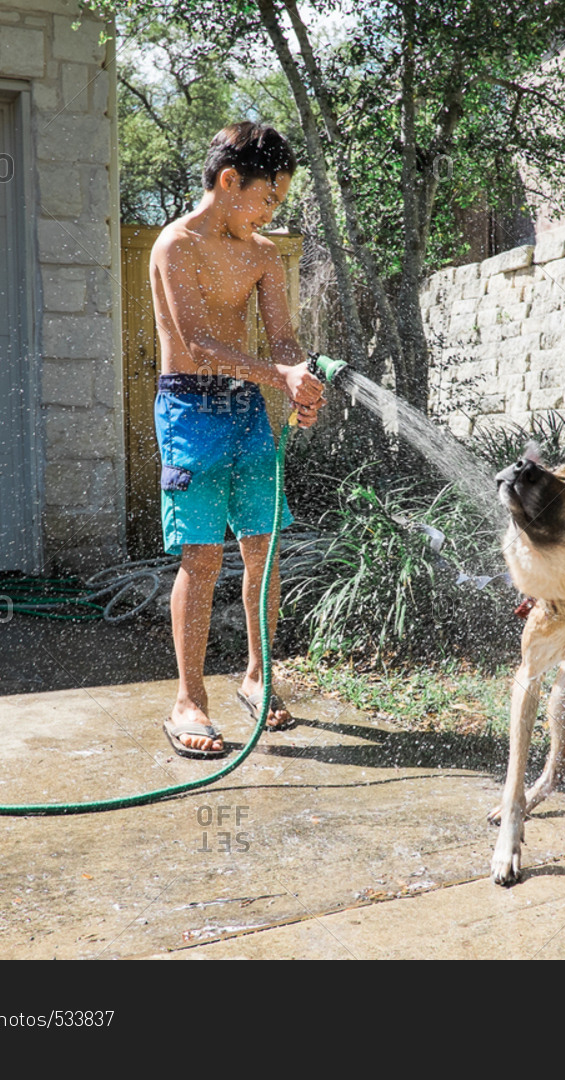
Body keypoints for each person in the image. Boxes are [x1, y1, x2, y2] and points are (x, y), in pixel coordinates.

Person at [148, 123, 324, 756]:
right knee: (202, 557)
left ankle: (257, 674)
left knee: (263, 548)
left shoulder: (262, 255)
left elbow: (281, 340)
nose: (271, 211)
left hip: (248, 409)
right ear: (230, 182)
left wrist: (297, 381)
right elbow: (197, 344)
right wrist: (277, 373)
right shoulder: (175, 246)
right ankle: (188, 700)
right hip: (189, 409)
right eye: (269, 198)